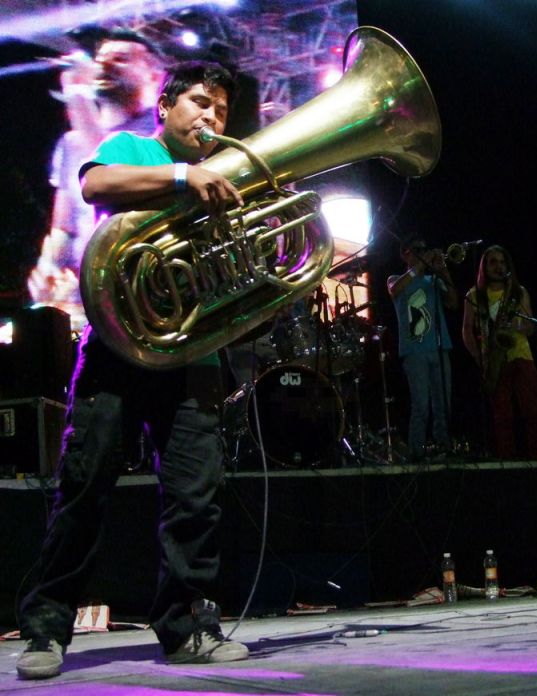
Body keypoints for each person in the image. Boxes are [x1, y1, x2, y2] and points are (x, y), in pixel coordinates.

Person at [16, 60, 250, 681]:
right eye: (199, 102)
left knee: (195, 500)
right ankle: (45, 628)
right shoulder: (133, 147)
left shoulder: (230, 176)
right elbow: (95, 186)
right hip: (117, 346)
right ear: (165, 107)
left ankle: (189, 628)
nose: (211, 116)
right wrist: (183, 177)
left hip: (193, 354)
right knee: (84, 488)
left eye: (221, 109)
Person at [27, 30, 163, 331]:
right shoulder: (71, 141)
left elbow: (106, 169)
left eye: (121, 59)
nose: (105, 64)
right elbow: (64, 226)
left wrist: (77, 94)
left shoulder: (157, 136)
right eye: (102, 59)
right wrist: (49, 267)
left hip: (137, 299)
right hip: (86, 303)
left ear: (154, 76)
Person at [462, 244, 537, 460]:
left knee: (532, 411)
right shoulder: (474, 295)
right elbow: (467, 330)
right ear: (484, 266)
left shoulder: (518, 292)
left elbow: (531, 327)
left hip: (521, 355)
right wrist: (479, 358)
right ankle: (507, 462)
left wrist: (516, 324)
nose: (498, 267)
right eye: (493, 262)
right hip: (494, 360)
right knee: (502, 416)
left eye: (502, 262)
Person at [387, 235, 459, 461]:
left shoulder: (432, 281)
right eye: (416, 249)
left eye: (424, 249)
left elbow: (454, 303)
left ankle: (443, 448)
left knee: (443, 404)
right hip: (414, 351)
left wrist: (443, 271)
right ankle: (416, 453)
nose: (422, 252)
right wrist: (420, 265)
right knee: (421, 405)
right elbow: (395, 290)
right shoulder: (395, 279)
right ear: (404, 254)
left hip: (440, 347)